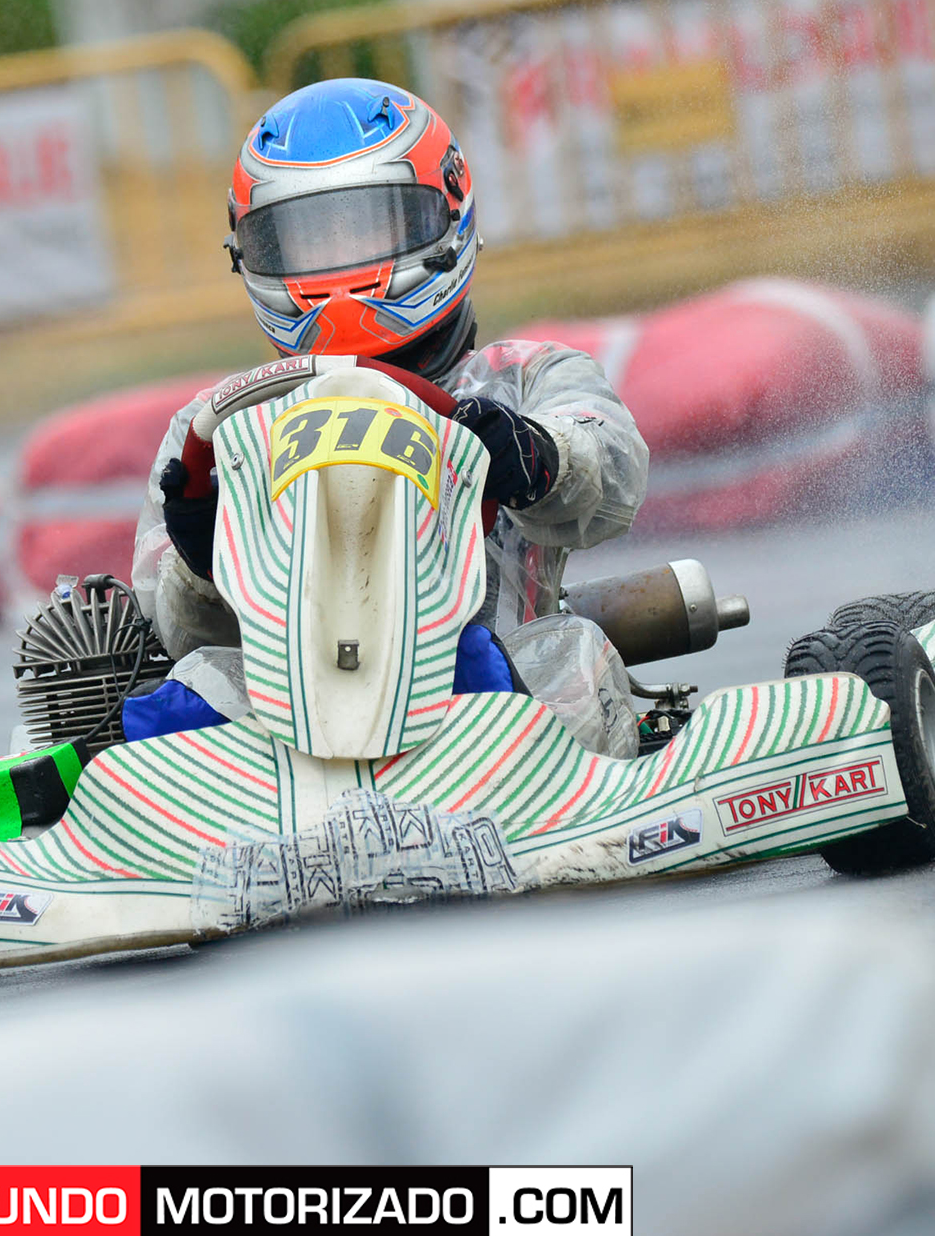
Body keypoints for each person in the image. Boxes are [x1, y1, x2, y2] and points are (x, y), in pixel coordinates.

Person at [125, 77, 650, 756]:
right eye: (310, 239)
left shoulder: (521, 380)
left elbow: (614, 465)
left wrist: (538, 455)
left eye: (367, 227)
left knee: (573, 651)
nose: (341, 268)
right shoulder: (217, 429)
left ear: (448, 213)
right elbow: (173, 631)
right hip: (292, 727)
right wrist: (203, 564)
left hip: (492, 694)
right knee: (192, 684)